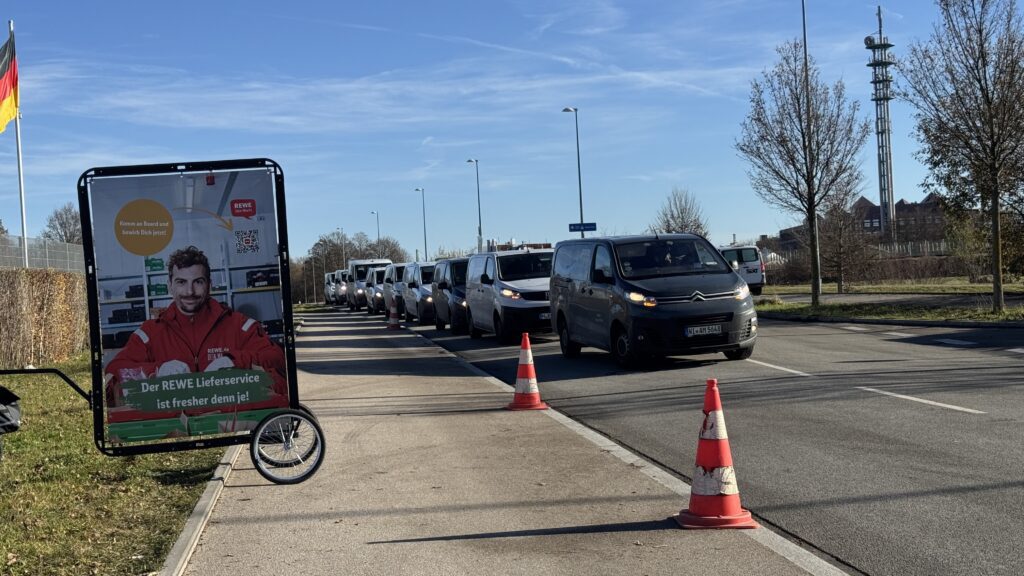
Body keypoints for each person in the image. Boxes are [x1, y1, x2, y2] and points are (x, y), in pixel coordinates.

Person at [104, 246, 287, 406]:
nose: (189, 292)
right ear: (170, 287)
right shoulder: (149, 333)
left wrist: (235, 362)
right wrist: (157, 371)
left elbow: (277, 358)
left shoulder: (239, 325)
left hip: (228, 422)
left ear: (209, 285)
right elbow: (114, 370)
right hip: (173, 429)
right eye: (181, 282)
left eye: (198, 282)